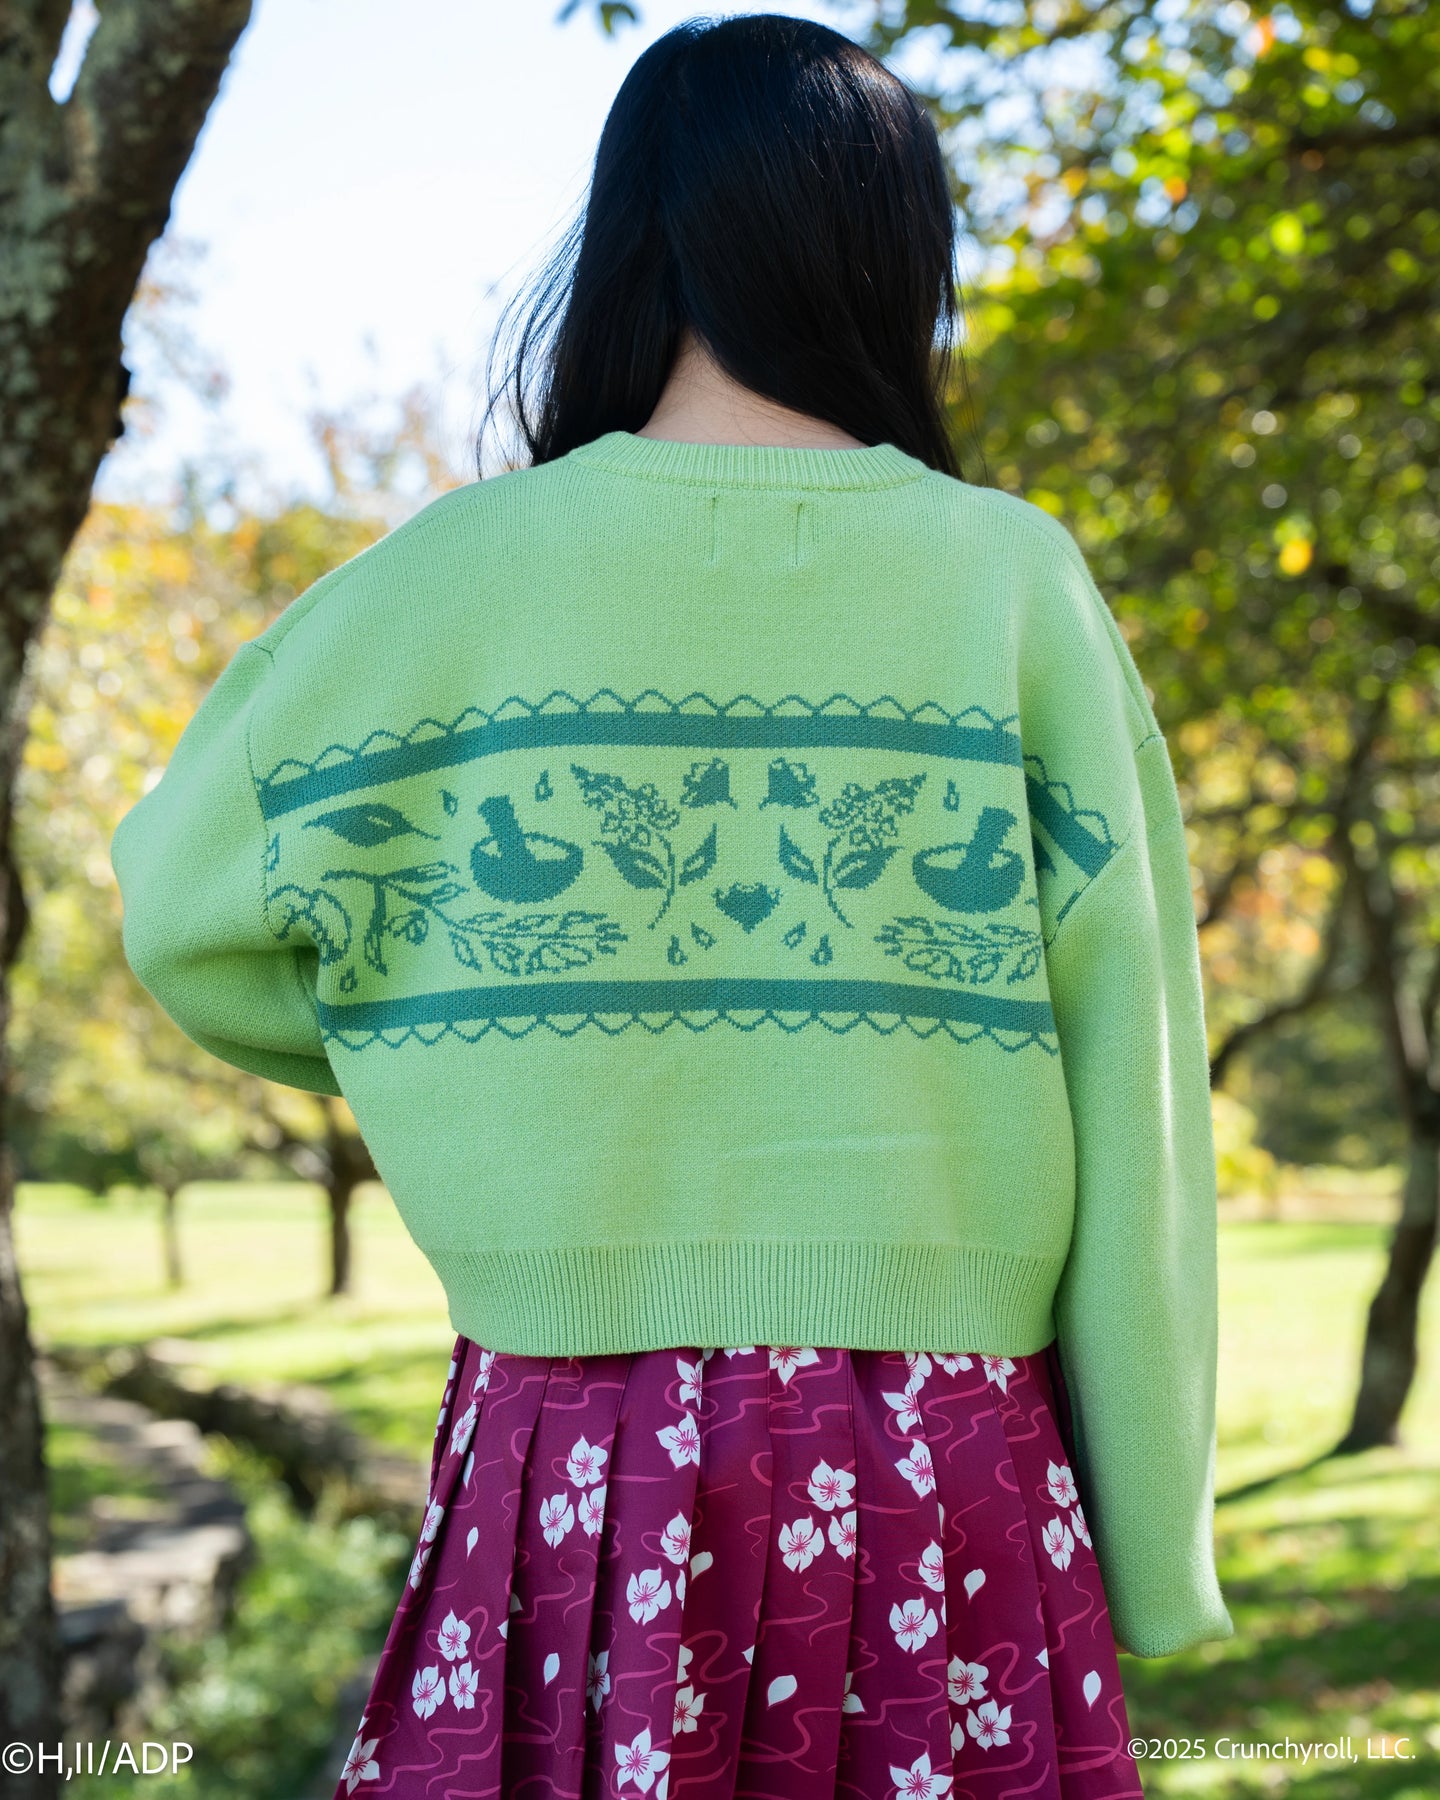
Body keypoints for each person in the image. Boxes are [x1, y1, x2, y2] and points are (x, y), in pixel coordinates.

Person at [110, 14, 1233, 1798]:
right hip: (947, 1463)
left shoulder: (451, 576)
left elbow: (183, 908)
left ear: (632, 237)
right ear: (897, 253)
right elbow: (1134, 1069)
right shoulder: (1008, 580)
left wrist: (471, 1057)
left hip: (571, 1450)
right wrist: (1154, 1540)